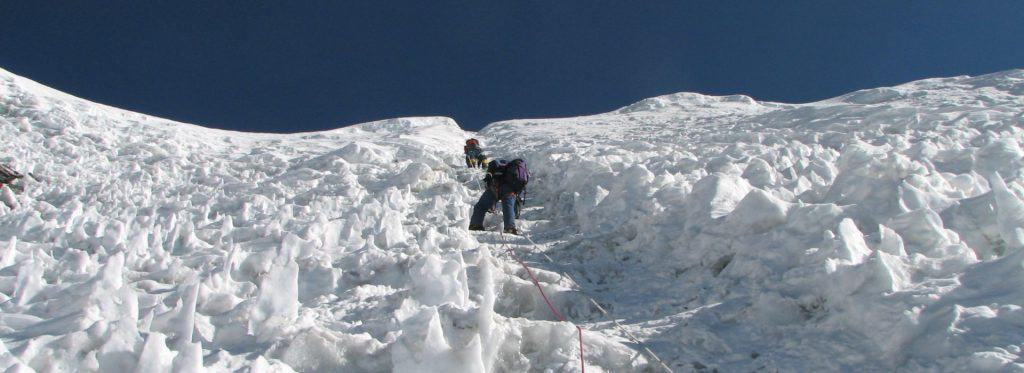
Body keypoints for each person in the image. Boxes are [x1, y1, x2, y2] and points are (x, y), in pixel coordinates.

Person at [469, 159, 529, 234]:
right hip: (511, 190)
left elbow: (490, 176)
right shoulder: (517, 173)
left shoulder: (496, 166)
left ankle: (475, 225)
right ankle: (509, 228)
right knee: (508, 207)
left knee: (481, 205)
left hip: (496, 187)